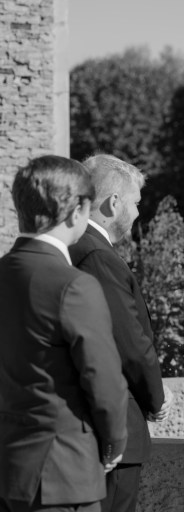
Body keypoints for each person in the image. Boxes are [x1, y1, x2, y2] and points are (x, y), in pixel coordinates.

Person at [0, 155, 128, 512]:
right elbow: (103, 379)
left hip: (8, 466)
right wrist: (114, 443)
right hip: (63, 472)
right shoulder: (73, 285)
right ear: (76, 212)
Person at [68, 154, 171, 512]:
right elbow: (127, 342)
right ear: (113, 203)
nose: (138, 212)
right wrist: (156, 397)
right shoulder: (97, 256)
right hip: (112, 426)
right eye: (136, 202)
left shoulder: (77, 247)